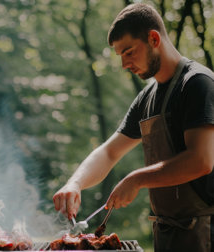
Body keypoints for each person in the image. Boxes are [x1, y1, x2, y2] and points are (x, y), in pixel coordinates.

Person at [53, 3, 214, 252]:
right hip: (167, 233)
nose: (124, 64)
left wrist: (137, 179)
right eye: (120, 56)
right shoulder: (147, 98)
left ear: (153, 38)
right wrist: (75, 183)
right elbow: (110, 152)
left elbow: (201, 160)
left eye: (129, 52)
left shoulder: (197, 84)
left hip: (205, 233)